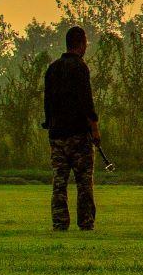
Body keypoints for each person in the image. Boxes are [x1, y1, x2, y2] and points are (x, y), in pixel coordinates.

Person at [41, 26, 101, 231]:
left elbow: (47, 101)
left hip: (57, 133)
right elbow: (87, 101)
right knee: (84, 182)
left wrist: (49, 123)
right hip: (78, 134)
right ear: (82, 44)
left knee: (59, 181)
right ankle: (85, 222)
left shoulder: (53, 68)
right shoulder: (81, 68)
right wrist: (94, 128)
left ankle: (59, 221)